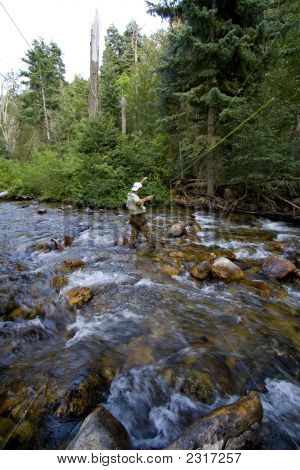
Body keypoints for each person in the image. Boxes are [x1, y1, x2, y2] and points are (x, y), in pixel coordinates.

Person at [126, 177, 155, 249]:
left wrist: (143, 180)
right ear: (139, 189)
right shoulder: (135, 196)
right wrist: (146, 198)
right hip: (139, 217)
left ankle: (132, 248)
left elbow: (138, 186)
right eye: (140, 189)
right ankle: (152, 248)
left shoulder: (129, 194)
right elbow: (138, 203)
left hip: (133, 217)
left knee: (134, 234)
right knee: (147, 233)